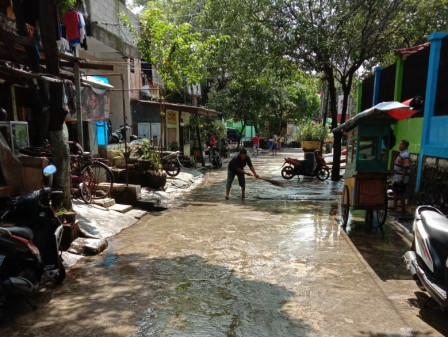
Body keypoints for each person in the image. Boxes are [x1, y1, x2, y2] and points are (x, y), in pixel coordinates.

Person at [392, 139, 410, 212]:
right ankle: (395, 207)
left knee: (401, 194)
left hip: (401, 178)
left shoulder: (405, 155)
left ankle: (403, 209)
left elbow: (406, 168)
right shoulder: (402, 153)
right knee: (395, 192)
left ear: (405, 146)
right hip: (397, 177)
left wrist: (402, 178)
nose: (399, 146)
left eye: (401, 144)